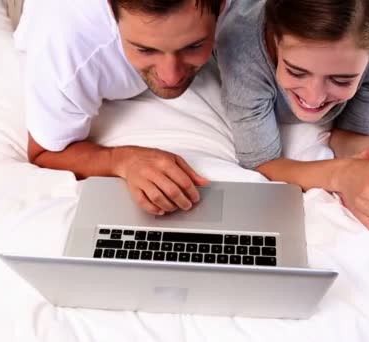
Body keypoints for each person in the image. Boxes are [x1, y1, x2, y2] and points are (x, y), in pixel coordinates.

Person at [214, 0, 369, 231]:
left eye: (341, 79)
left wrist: (368, 181)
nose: (314, 98)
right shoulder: (239, 45)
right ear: (274, 39)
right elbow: (262, 162)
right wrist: (341, 174)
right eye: (296, 72)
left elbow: (354, 132)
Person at [19, 0, 228, 216]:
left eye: (193, 46)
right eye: (145, 50)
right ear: (110, 8)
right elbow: (43, 152)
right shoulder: (66, 45)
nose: (171, 77)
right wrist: (122, 161)